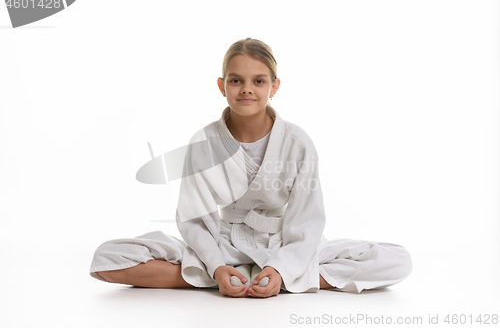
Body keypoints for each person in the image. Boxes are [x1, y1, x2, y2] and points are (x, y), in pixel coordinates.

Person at [89, 37, 412, 298]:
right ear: (222, 85)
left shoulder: (297, 142)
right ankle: (235, 277)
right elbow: (195, 219)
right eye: (236, 80)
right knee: (107, 258)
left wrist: (283, 267)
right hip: (223, 243)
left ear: (274, 86)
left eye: (258, 81)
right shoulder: (204, 142)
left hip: (282, 243)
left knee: (396, 261)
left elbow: (307, 219)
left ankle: (269, 278)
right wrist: (216, 265)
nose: (247, 89)